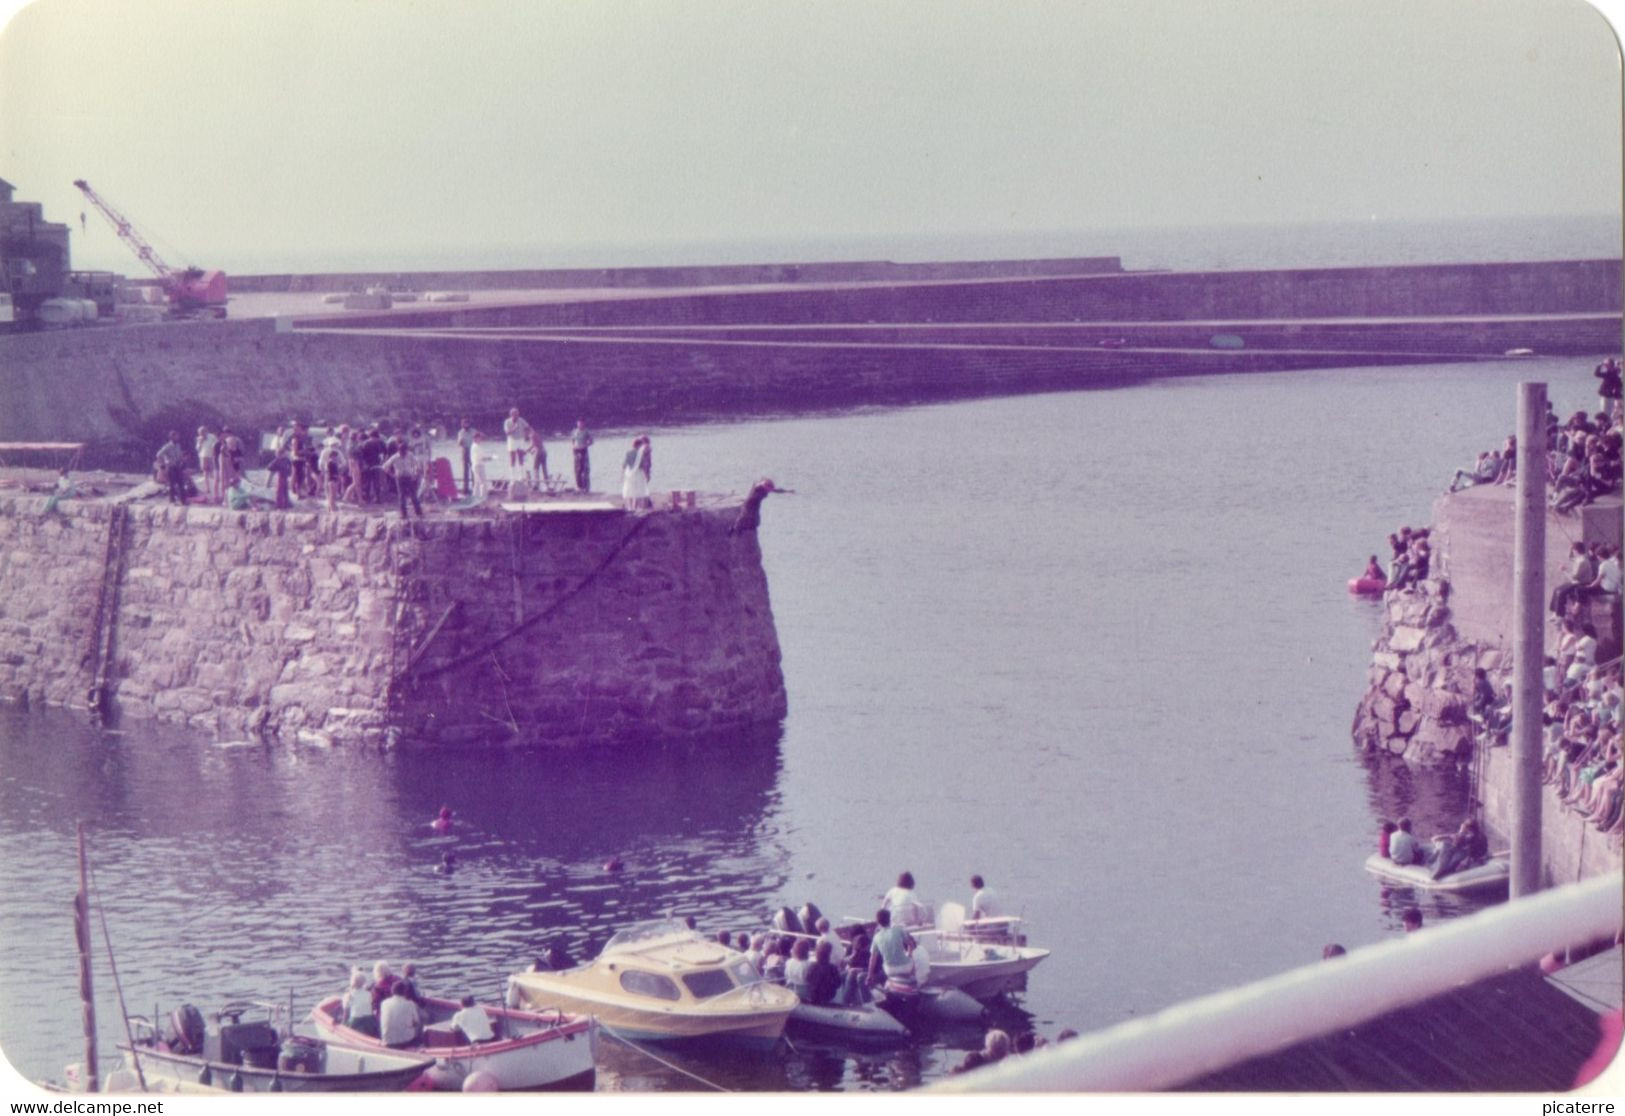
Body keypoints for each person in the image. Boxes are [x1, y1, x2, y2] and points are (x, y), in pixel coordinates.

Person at [867, 908, 915, 989]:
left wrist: (870, 975)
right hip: (906, 968)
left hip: (890, 971)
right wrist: (909, 954)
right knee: (912, 959)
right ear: (890, 919)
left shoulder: (876, 937)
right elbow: (911, 945)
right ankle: (914, 983)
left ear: (878, 922)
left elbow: (872, 959)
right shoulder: (899, 930)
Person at [382, 438, 423, 519]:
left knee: (413, 495)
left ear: (406, 450)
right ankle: (403, 513)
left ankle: (418, 512)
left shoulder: (410, 455)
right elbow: (385, 467)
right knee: (401, 496)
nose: (403, 453)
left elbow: (417, 464)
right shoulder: (395, 457)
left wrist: (416, 473)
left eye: (404, 451)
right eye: (401, 451)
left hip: (409, 477)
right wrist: (392, 475)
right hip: (400, 478)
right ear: (398, 450)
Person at [804, 940, 842, 1006]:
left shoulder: (812, 966)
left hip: (813, 995)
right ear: (829, 954)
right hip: (828, 996)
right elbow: (838, 984)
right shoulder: (832, 968)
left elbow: (807, 979)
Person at [155, 431, 188, 505]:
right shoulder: (168, 446)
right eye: (176, 436)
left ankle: (183, 500)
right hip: (171, 467)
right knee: (172, 484)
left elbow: (179, 455)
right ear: (172, 437)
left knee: (181, 483)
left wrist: (182, 461)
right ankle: (172, 501)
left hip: (177, 466)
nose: (178, 437)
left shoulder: (178, 445)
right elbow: (158, 454)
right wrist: (162, 464)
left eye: (178, 436)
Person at [342, 970, 376, 1035]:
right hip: (368, 1020)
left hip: (355, 1020)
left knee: (348, 1026)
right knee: (371, 1031)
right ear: (364, 982)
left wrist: (343, 1024)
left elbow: (346, 1013)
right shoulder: (369, 994)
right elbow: (371, 1006)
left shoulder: (349, 995)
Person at [318, 436, 345, 512]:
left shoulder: (324, 451)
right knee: (332, 490)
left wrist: (322, 470)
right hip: (333, 472)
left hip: (327, 471)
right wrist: (339, 469)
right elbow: (343, 463)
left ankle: (329, 504)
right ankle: (332, 505)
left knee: (327, 487)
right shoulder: (338, 452)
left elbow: (320, 462)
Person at [621, 437, 649, 511]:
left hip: (629, 473)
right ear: (639, 445)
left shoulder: (628, 453)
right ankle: (639, 508)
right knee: (640, 491)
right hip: (639, 473)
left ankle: (630, 507)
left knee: (630, 490)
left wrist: (622, 474)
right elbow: (643, 465)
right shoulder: (640, 454)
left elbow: (624, 464)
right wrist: (646, 475)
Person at [503, 408, 532, 475]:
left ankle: (521, 476)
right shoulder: (507, 422)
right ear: (511, 415)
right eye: (515, 415)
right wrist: (514, 428)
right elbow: (507, 433)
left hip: (520, 439)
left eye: (517, 414)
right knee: (512, 458)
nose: (516, 416)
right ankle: (513, 477)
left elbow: (528, 427)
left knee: (521, 457)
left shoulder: (521, 420)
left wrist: (528, 435)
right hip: (512, 440)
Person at [266, 444, 294, 510]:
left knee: (285, 491)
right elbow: (269, 467)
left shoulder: (286, 460)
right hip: (281, 477)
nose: (279, 455)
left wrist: (290, 473)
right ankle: (279, 504)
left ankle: (286, 504)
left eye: (280, 454)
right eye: (278, 454)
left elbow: (290, 467)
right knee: (280, 491)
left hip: (285, 477)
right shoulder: (278, 460)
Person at [196, 426, 219, 503]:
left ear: (206, 431)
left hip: (211, 456)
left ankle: (214, 488)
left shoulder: (212, 436)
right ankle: (207, 487)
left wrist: (215, 453)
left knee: (213, 471)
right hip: (203, 456)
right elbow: (197, 449)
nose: (201, 434)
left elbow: (216, 445)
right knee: (205, 471)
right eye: (200, 433)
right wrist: (200, 442)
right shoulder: (199, 438)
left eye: (202, 432)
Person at [570, 419, 594, 492]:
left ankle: (585, 486)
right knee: (577, 469)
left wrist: (585, 445)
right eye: (578, 424)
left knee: (584, 469)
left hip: (583, 450)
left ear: (583, 424)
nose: (580, 425)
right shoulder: (574, 431)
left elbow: (591, 441)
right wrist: (573, 447)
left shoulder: (586, 432)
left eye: (581, 424)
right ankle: (578, 486)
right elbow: (572, 441)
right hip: (576, 450)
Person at [455, 418, 476, 496]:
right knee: (465, 471)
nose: (466, 425)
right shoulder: (460, 432)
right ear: (462, 425)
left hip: (472, 450)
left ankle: (475, 488)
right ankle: (465, 489)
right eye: (464, 424)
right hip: (464, 450)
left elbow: (478, 439)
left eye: (467, 423)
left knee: (473, 470)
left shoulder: (473, 431)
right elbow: (458, 444)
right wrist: (460, 442)